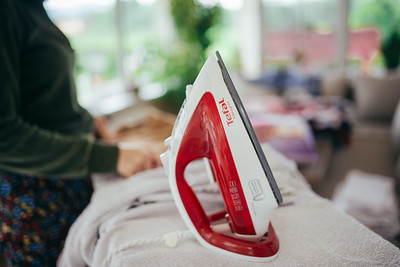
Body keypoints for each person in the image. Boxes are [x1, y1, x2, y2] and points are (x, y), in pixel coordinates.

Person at [0, 0, 161, 265]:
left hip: (69, 178)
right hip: (36, 196)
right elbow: (4, 135)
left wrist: (90, 124)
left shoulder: (33, 8)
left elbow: (46, 102)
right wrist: (107, 156)